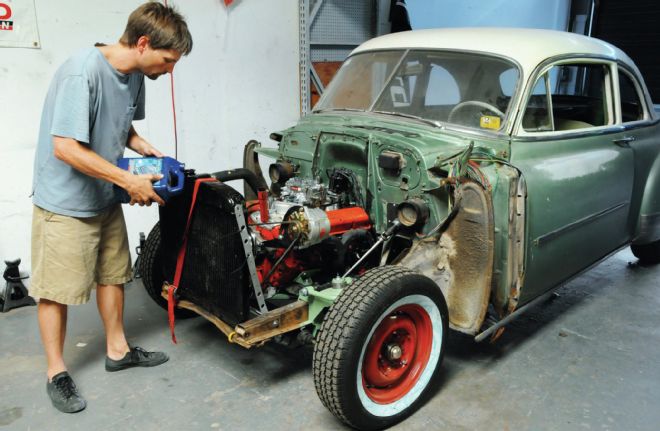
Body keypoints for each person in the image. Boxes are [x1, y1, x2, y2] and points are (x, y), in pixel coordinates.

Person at [30, 1, 192, 413]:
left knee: (112, 274)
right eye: (168, 59)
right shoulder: (80, 71)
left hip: (103, 194)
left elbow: (125, 124)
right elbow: (64, 146)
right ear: (142, 43)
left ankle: (118, 351)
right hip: (65, 203)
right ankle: (55, 372)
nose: (170, 69)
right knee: (55, 291)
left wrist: (141, 148)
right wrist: (127, 179)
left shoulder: (136, 74)